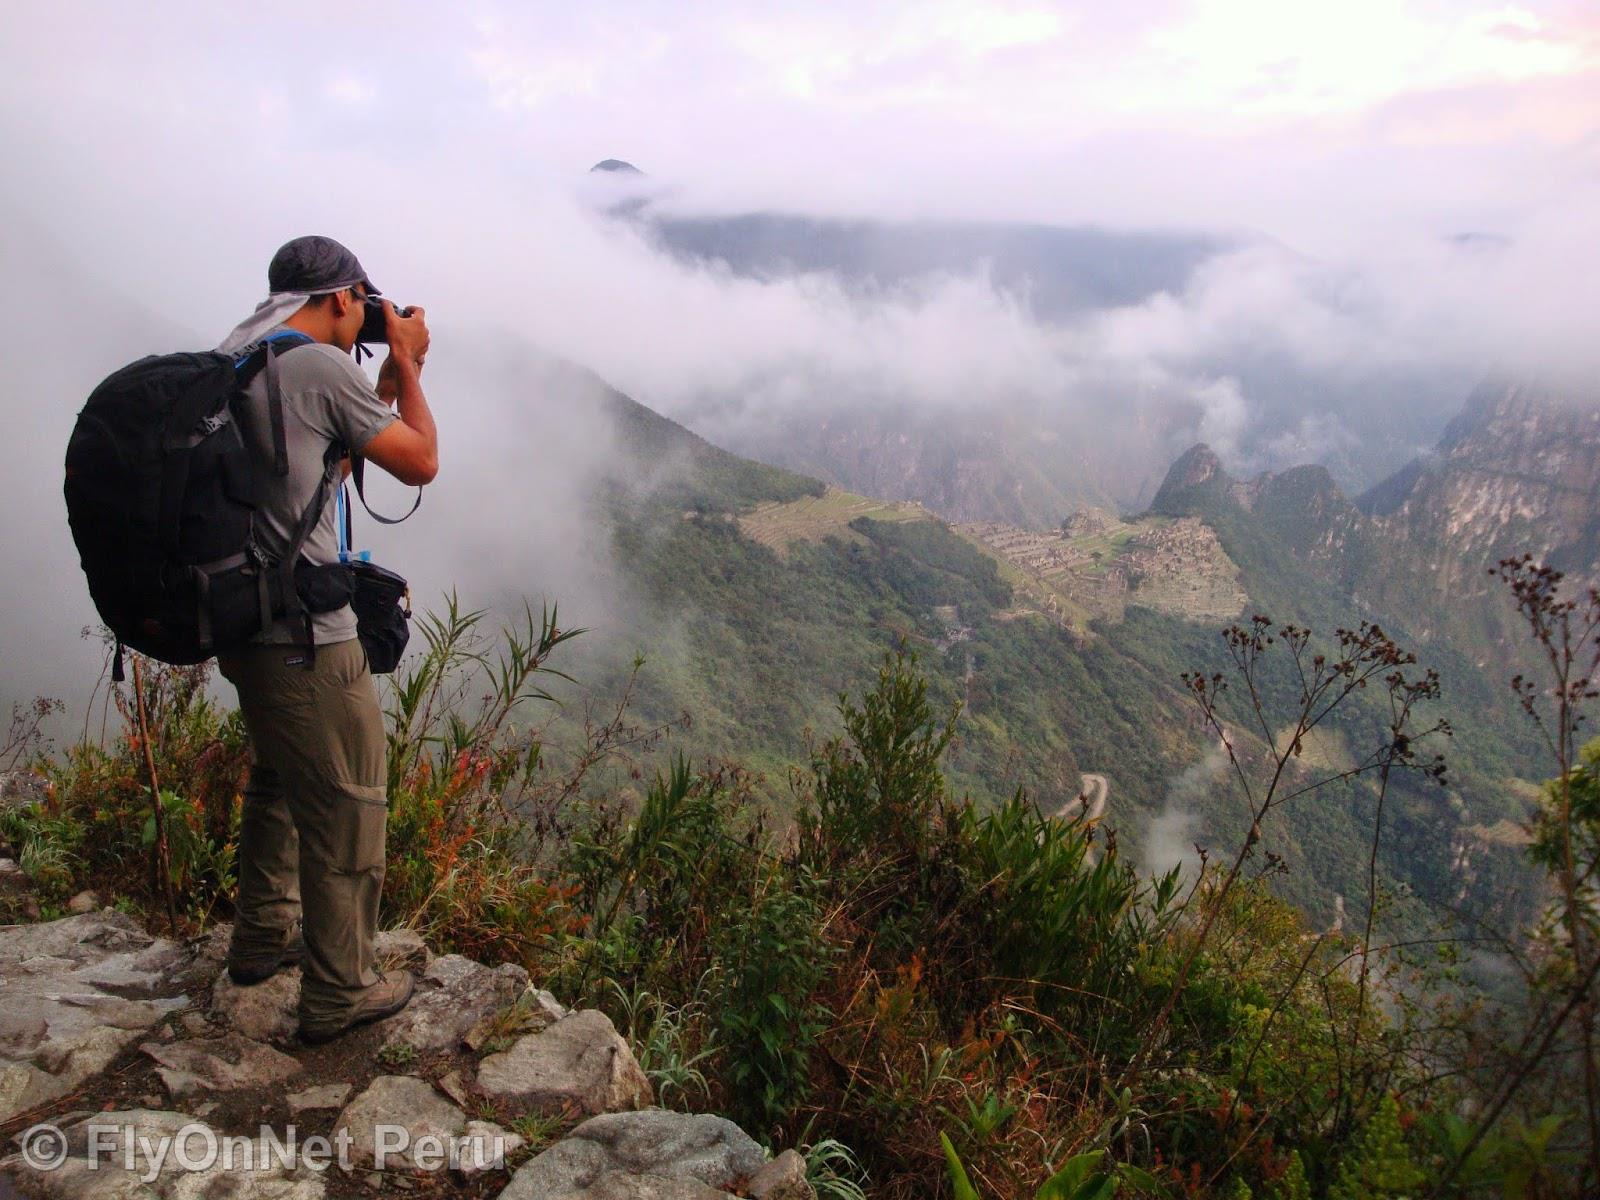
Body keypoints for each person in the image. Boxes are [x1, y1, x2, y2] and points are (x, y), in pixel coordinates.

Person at [213, 235, 438, 1044]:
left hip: (245, 627)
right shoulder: (317, 367)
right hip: (309, 638)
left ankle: (260, 943)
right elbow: (420, 461)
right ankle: (339, 993)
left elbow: (324, 467)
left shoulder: (245, 355)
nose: (367, 321)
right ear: (342, 297)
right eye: (363, 306)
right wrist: (407, 363)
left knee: (276, 780)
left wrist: (377, 374)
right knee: (349, 807)